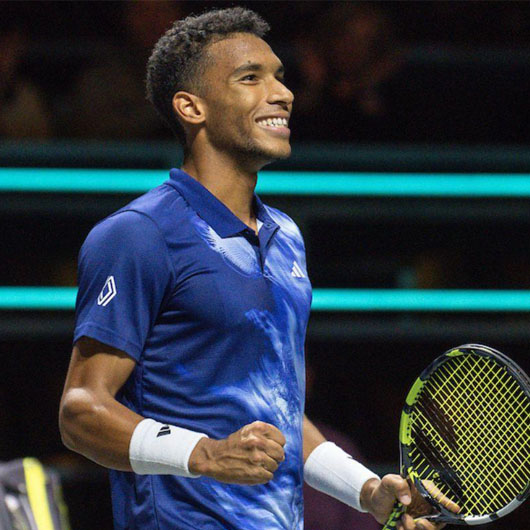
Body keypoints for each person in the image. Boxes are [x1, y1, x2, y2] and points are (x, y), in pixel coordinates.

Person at [59, 8, 447, 530]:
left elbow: (279, 409)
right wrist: (206, 455)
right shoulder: (139, 234)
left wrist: (368, 490)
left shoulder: (286, 237)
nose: (282, 93)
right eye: (251, 78)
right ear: (191, 107)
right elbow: (81, 411)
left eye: (280, 76)